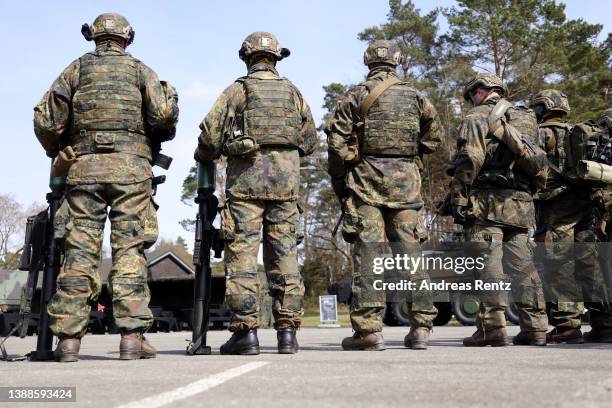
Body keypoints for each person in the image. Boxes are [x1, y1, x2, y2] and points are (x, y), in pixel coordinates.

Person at [33, 13, 178, 362]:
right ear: (127, 38)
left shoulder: (75, 70)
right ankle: (131, 337)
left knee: (79, 252)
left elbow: (46, 120)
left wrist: (58, 151)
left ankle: (68, 341)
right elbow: (162, 116)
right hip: (132, 171)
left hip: (83, 170)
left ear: (94, 37)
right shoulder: (141, 70)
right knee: (130, 251)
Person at [195, 32, 317, 355]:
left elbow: (209, 136)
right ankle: (287, 332)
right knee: (285, 258)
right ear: (277, 58)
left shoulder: (238, 91)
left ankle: (246, 333)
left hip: (246, 189)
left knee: (243, 259)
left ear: (247, 57)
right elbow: (310, 141)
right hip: (285, 188)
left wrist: (209, 156)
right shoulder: (294, 94)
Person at [325, 40, 441, 351]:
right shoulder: (416, 97)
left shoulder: (355, 96)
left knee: (369, 257)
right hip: (406, 185)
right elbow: (434, 139)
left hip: (367, 183)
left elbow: (336, 145)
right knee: (411, 254)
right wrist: (408, 157)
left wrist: (343, 174)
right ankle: (421, 328)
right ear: (397, 62)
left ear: (368, 63)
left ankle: (369, 331)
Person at [450, 73, 549, 347]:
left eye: (472, 95)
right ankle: (536, 326)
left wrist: (458, 197)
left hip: (487, 202)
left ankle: (492, 328)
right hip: (521, 204)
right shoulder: (527, 117)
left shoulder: (476, 116)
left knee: (488, 265)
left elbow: (471, 158)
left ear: (480, 91)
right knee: (523, 265)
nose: (472, 100)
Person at [530, 90, 593, 344]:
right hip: (585, 203)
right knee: (589, 263)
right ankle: (603, 321)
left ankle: (567, 324)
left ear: (542, 109)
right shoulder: (577, 133)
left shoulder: (543, 133)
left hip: (557, 206)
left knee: (560, 262)